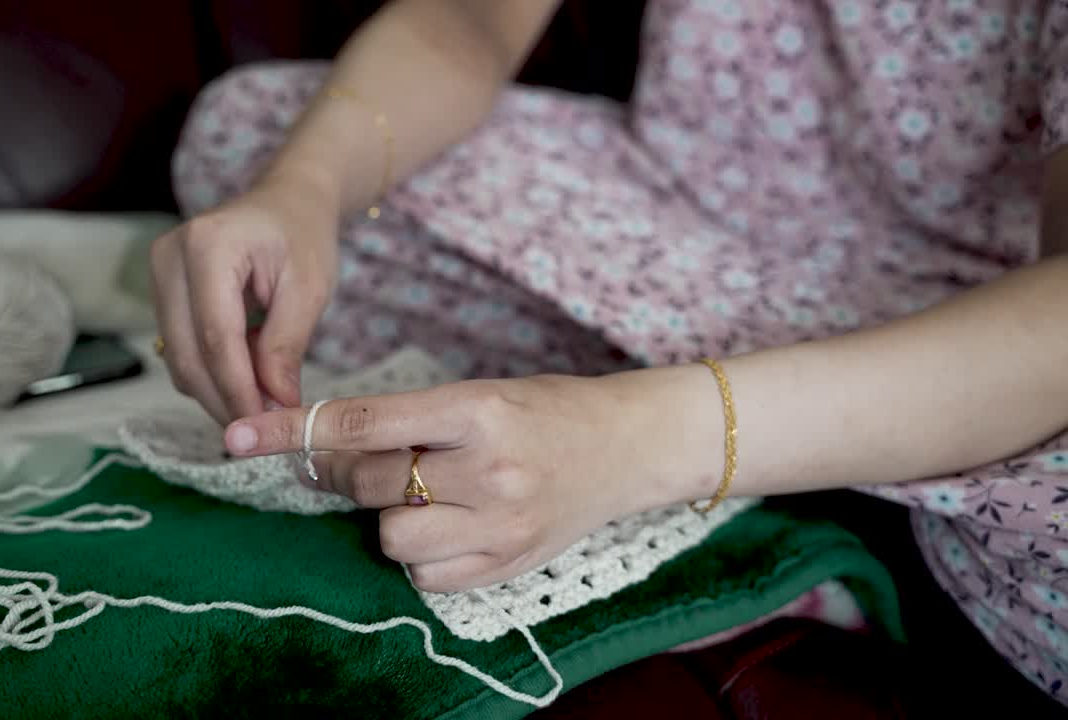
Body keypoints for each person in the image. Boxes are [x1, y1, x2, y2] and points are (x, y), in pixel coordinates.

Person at [150, 0, 1068, 707]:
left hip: (995, 319)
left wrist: (632, 438)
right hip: (685, 227)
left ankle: (720, 455)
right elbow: (466, 18)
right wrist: (305, 188)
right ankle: (756, 454)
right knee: (254, 140)